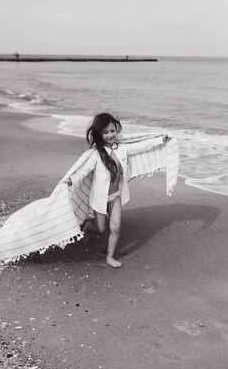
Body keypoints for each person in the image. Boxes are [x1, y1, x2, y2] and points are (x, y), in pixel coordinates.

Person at [65, 113, 170, 268]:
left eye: (112, 131)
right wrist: (72, 180)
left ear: (117, 130)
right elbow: (84, 170)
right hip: (99, 198)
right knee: (101, 229)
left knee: (116, 227)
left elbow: (141, 147)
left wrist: (160, 140)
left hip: (115, 196)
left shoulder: (122, 149)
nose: (110, 135)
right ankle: (90, 226)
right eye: (106, 132)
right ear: (99, 134)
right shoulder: (96, 153)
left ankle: (109, 257)